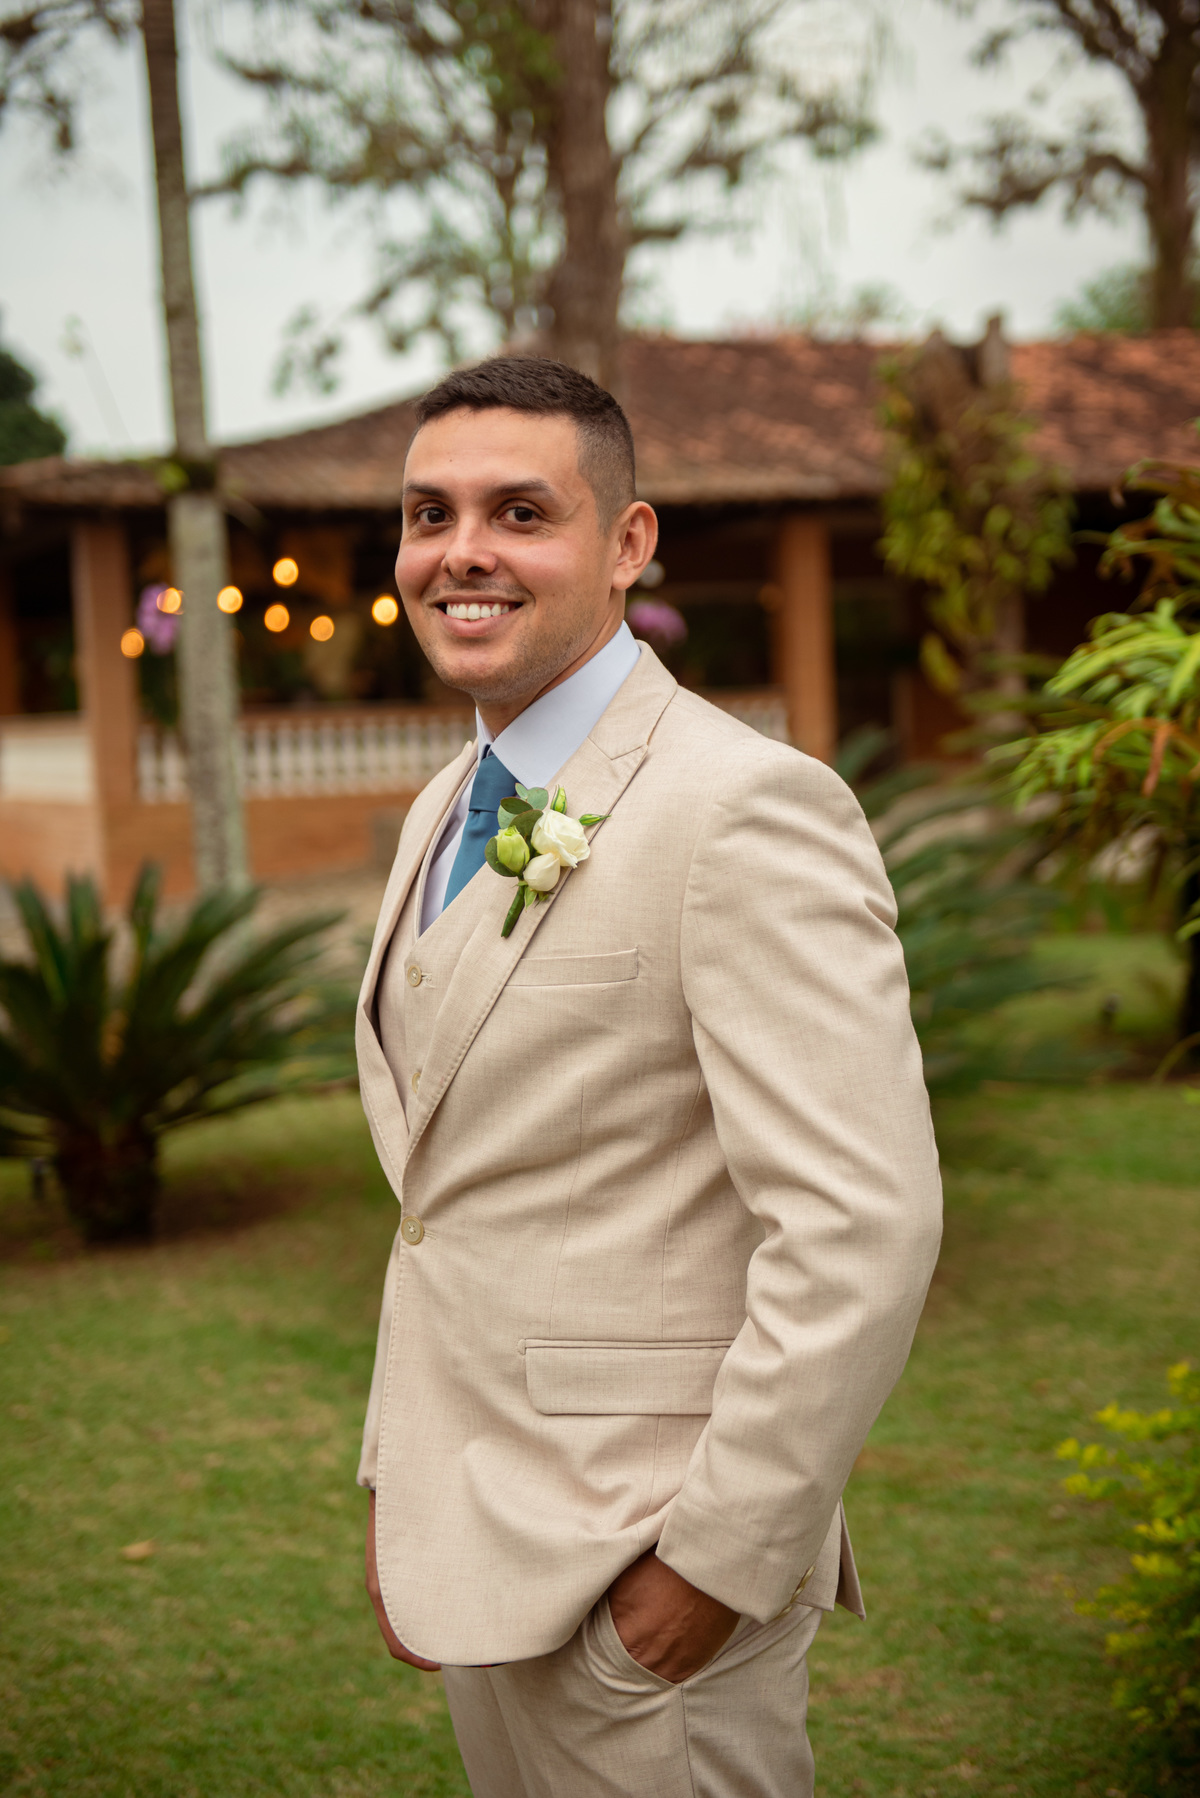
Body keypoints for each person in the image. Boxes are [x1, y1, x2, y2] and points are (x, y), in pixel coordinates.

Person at [355, 354, 942, 1798]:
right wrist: (403, 1487)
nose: (462, 552)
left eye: (519, 511)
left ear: (628, 544)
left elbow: (863, 1223)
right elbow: (447, 1197)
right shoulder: (449, 798)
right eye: (430, 515)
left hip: (652, 1568)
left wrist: (713, 1562)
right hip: (481, 1527)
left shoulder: (744, 807)